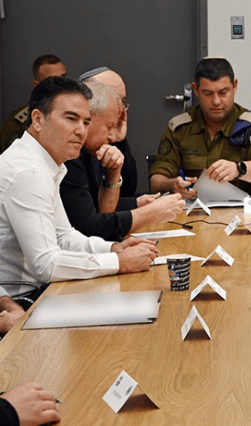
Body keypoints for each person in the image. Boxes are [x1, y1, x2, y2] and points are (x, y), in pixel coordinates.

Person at [0, 76, 159, 294]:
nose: (81, 131)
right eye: (71, 119)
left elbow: (65, 237)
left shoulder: (42, 162)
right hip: (22, 299)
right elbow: (45, 265)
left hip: (39, 290)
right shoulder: (29, 171)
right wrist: (119, 262)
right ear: (37, 120)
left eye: (85, 122)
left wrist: (113, 248)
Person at [59, 81, 185, 241]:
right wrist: (151, 213)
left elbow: (100, 209)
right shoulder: (68, 154)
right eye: (110, 126)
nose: (113, 137)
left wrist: (113, 174)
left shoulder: (85, 152)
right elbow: (90, 228)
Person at [149, 57, 251, 199]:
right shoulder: (180, 128)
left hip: (243, 208)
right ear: (196, 90)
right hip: (193, 208)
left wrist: (238, 169)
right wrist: (172, 185)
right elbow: (156, 180)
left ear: (234, 86)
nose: (216, 101)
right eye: (208, 94)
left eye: (223, 92)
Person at [79, 67, 138, 198]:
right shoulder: (75, 144)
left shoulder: (109, 135)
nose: (120, 109)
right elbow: (90, 205)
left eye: (122, 101)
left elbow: (127, 192)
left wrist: (120, 141)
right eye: (111, 97)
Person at [0, 55, 67, 153]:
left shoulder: (80, 116)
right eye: (53, 81)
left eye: (64, 78)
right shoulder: (18, 125)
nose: (61, 85)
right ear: (37, 85)